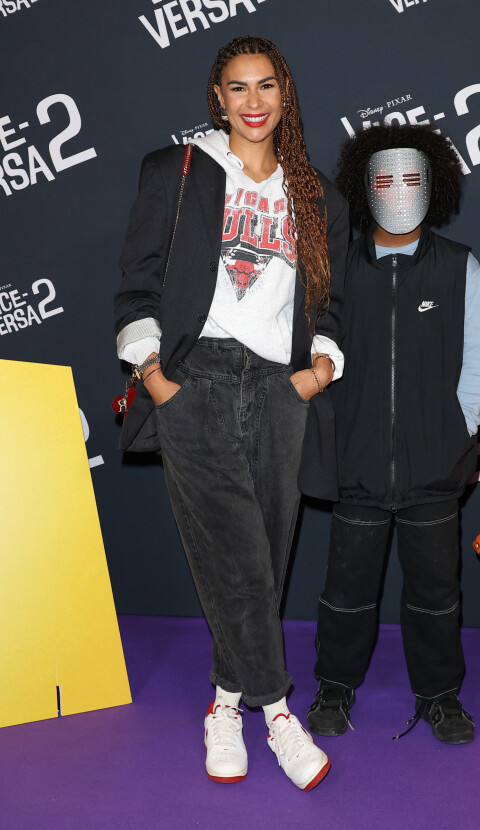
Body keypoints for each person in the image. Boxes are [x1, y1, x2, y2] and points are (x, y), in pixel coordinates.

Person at [113, 35, 348, 789]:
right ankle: (279, 715)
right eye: (238, 89)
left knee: (260, 557)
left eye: (267, 87)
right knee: (238, 557)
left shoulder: (314, 194)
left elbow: (332, 301)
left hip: (281, 388)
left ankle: (223, 702)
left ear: (286, 95)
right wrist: (153, 375)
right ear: (217, 97)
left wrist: (317, 373)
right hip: (196, 380)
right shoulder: (177, 171)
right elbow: (138, 283)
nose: (254, 103)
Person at [306, 123, 480, 745]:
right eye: (384, 177)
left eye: (411, 176)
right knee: (345, 592)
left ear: (433, 184)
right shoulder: (339, 269)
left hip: (434, 471)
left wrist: (455, 435)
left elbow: (478, 365)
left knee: (438, 594)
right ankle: (334, 686)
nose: (397, 190)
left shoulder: (460, 266)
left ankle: (440, 695)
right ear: (364, 186)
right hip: (356, 466)